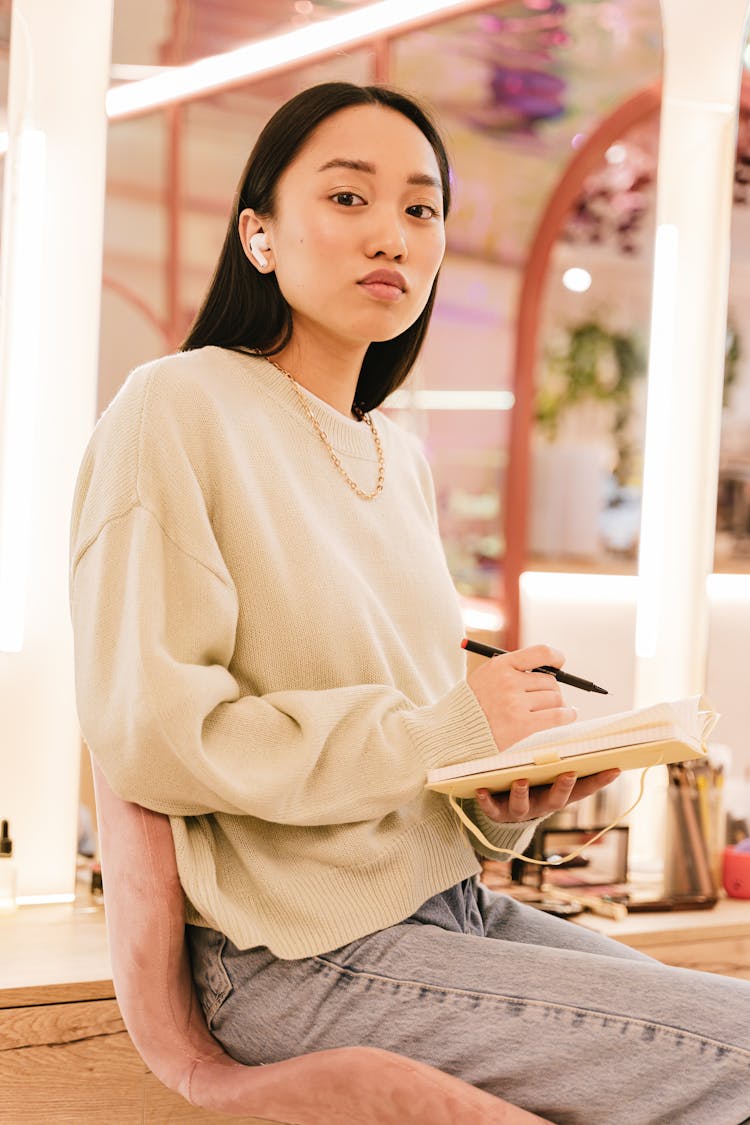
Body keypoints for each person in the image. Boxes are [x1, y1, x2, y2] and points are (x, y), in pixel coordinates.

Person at [70, 82, 750, 1124]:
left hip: (451, 913)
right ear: (258, 233)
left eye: (422, 210)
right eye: (348, 200)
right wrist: (443, 724)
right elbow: (157, 736)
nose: (391, 233)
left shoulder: (398, 451)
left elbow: (406, 754)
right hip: (295, 954)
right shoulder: (178, 406)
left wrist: (498, 797)